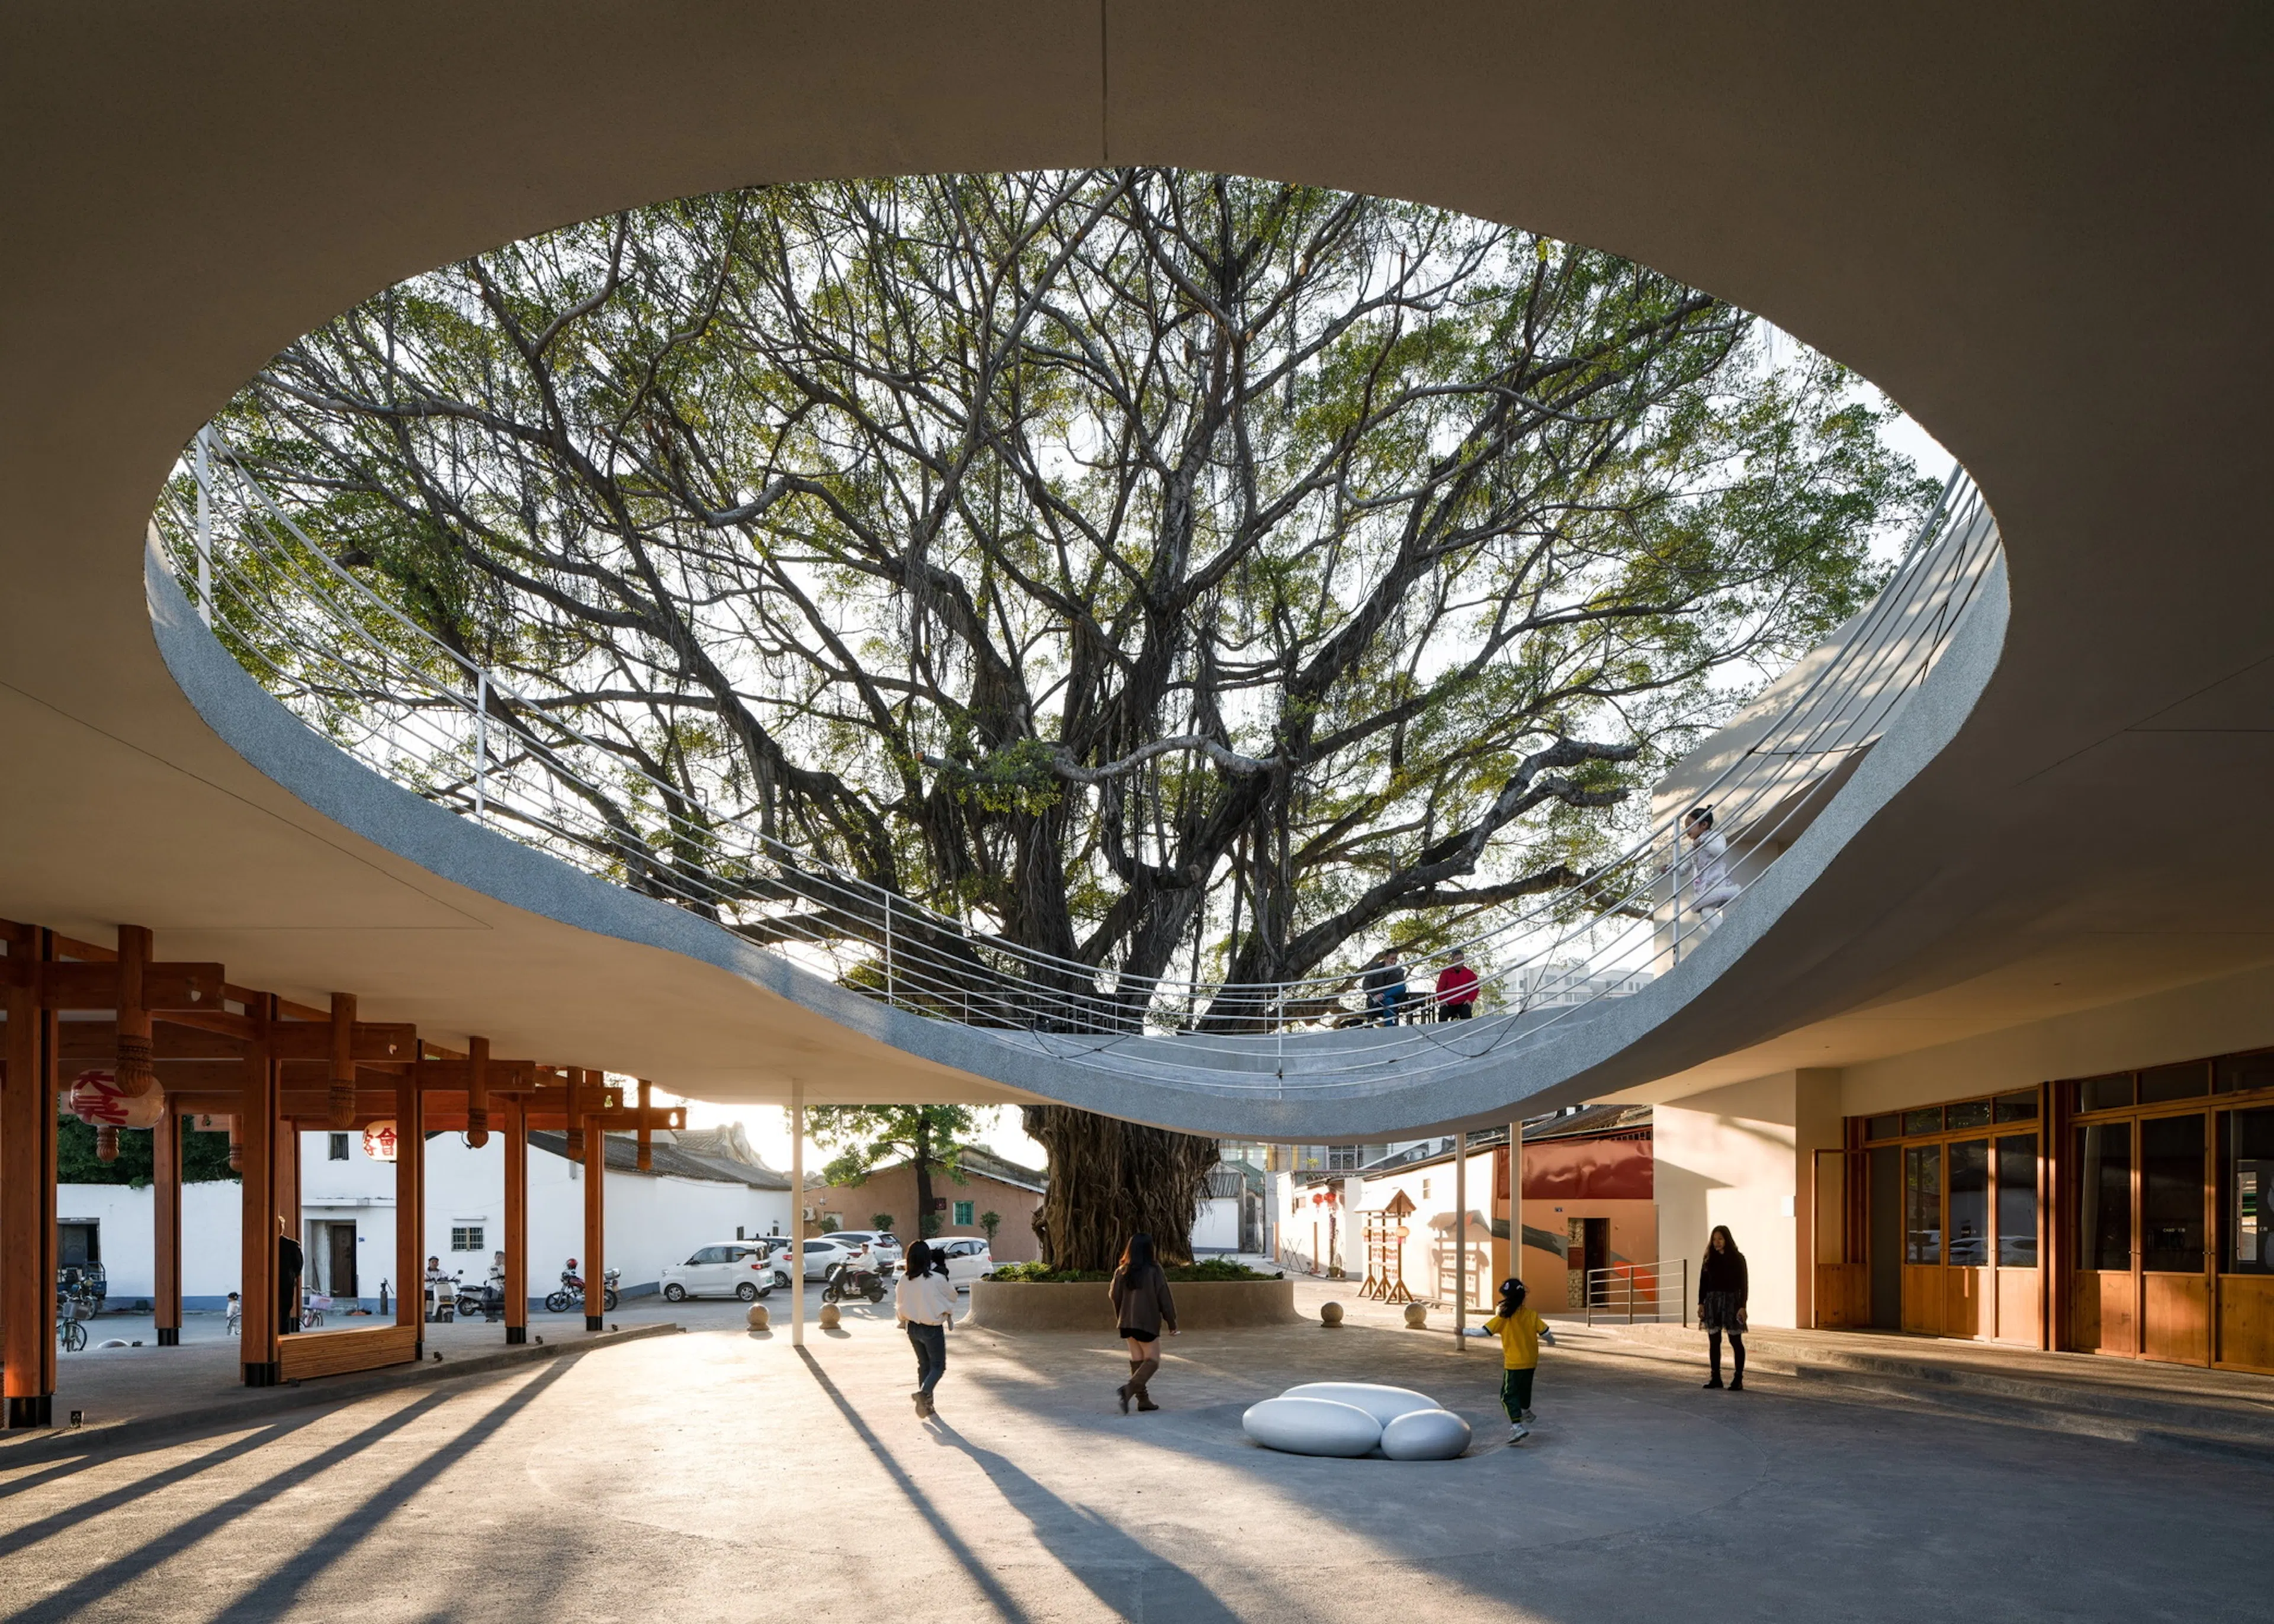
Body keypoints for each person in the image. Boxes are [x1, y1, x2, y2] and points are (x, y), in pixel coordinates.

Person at [1479, 1275, 1554, 1440]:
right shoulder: (1531, 1315)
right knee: (1525, 1389)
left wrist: (1462, 1332)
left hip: (1514, 1364)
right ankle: (1526, 1411)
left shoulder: (1504, 1318)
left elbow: (1484, 1332)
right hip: (1531, 1361)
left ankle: (1517, 1427)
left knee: (1507, 1396)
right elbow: (1546, 1333)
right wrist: (1551, 1342)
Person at [1109, 1233, 1178, 1413]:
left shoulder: (1121, 1271)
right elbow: (1164, 1297)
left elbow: (1114, 1296)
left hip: (1126, 1323)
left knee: (1138, 1361)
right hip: (1146, 1322)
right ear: (1149, 1250)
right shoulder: (1154, 1271)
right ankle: (1129, 1390)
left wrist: (1121, 1317)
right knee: (1152, 1361)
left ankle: (1143, 1401)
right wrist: (1171, 1322)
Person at [895, 1239, 957, 1418]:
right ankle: (923, 1394)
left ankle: (926, 1406)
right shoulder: (936, 1279)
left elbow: (900, 1301)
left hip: (912, 1328)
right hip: (932, 1328)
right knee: (938, 1366)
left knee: (924, 1365)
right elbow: (952, 1296)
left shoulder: (904, 1279)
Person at [1678, 805, 1735, 957]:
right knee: (1705, 913)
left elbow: (1719, 850)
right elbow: (1684, 869)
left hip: (1717, 883)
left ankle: (1724, 936)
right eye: (1685, 827)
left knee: (1707, 911)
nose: (1686, 831)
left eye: (1690, 826)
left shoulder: (1715, 837)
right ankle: (1716, 938)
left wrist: (1704, 843)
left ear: (1704, 824)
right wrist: (1670, 870)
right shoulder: (1693, 847)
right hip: (1703, 888)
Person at [1698, 1224, 1748, 1390]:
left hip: (1732, 1302)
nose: (1717, 1242)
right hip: (1712, 1302)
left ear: (1727, 1240)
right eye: (1714, 1239)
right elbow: (1703, 1282)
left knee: (1735, 1340)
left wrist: (1743, 1306)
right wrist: (1701, 1303)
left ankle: (1738, 1379)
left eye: (1720, 1239)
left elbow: (1744, 1284)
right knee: (1714, 1341)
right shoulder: (1709, 1258)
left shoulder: (1738, 1259)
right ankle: (1716, 1377)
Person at [1358, 948, 1407, 1026]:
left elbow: (1400, 987)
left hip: (1391, 1000)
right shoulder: (1374, 968)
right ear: (1385, 958)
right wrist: (1374, 996)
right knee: (1389, 1000)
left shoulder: (1399, 971)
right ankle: (1389, 1026)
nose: (1394, 961)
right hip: (1375, 1001)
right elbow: (1366, 984)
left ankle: (1383, 996)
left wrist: (1392, 971)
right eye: (1392, 959)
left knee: (1401, 989)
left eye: (1396, 959)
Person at [1434, 948, 1480, 1020]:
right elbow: (1440, 989)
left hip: (1463, 1002)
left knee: (1467, 1012)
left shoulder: (1470, 974)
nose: (1459, 960)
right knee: (1443, 1012)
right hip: (1449, 1003)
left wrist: (1469, 1000)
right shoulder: (1446, 973)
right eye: (1457, 959)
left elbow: (1475, 988)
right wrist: (1442, 1000)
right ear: (1452, 961)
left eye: (1461, 958)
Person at [278, 1217, 304, 1334]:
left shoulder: (292, 1245)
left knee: (285, 1308)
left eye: (281, 1226)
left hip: (286, 1282)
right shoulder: (264, 1244)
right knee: (284, 1308)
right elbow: (298, 1265)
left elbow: (299, 1265)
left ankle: (283, 1332)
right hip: (285, 1281)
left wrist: (292, 1276)